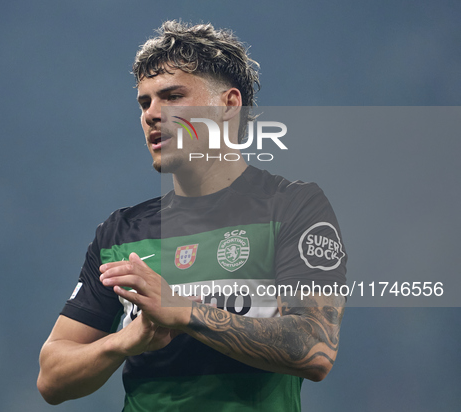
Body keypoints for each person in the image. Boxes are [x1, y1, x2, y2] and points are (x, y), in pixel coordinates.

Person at [37, 21, 347, 412]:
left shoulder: (293, 207)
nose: (152, 114)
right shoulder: (120, 233)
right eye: (144, 102)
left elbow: (314, 349)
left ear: (229, 104)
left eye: (172, 96)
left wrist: (183, 310)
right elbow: (51, 378)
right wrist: (125, 341)